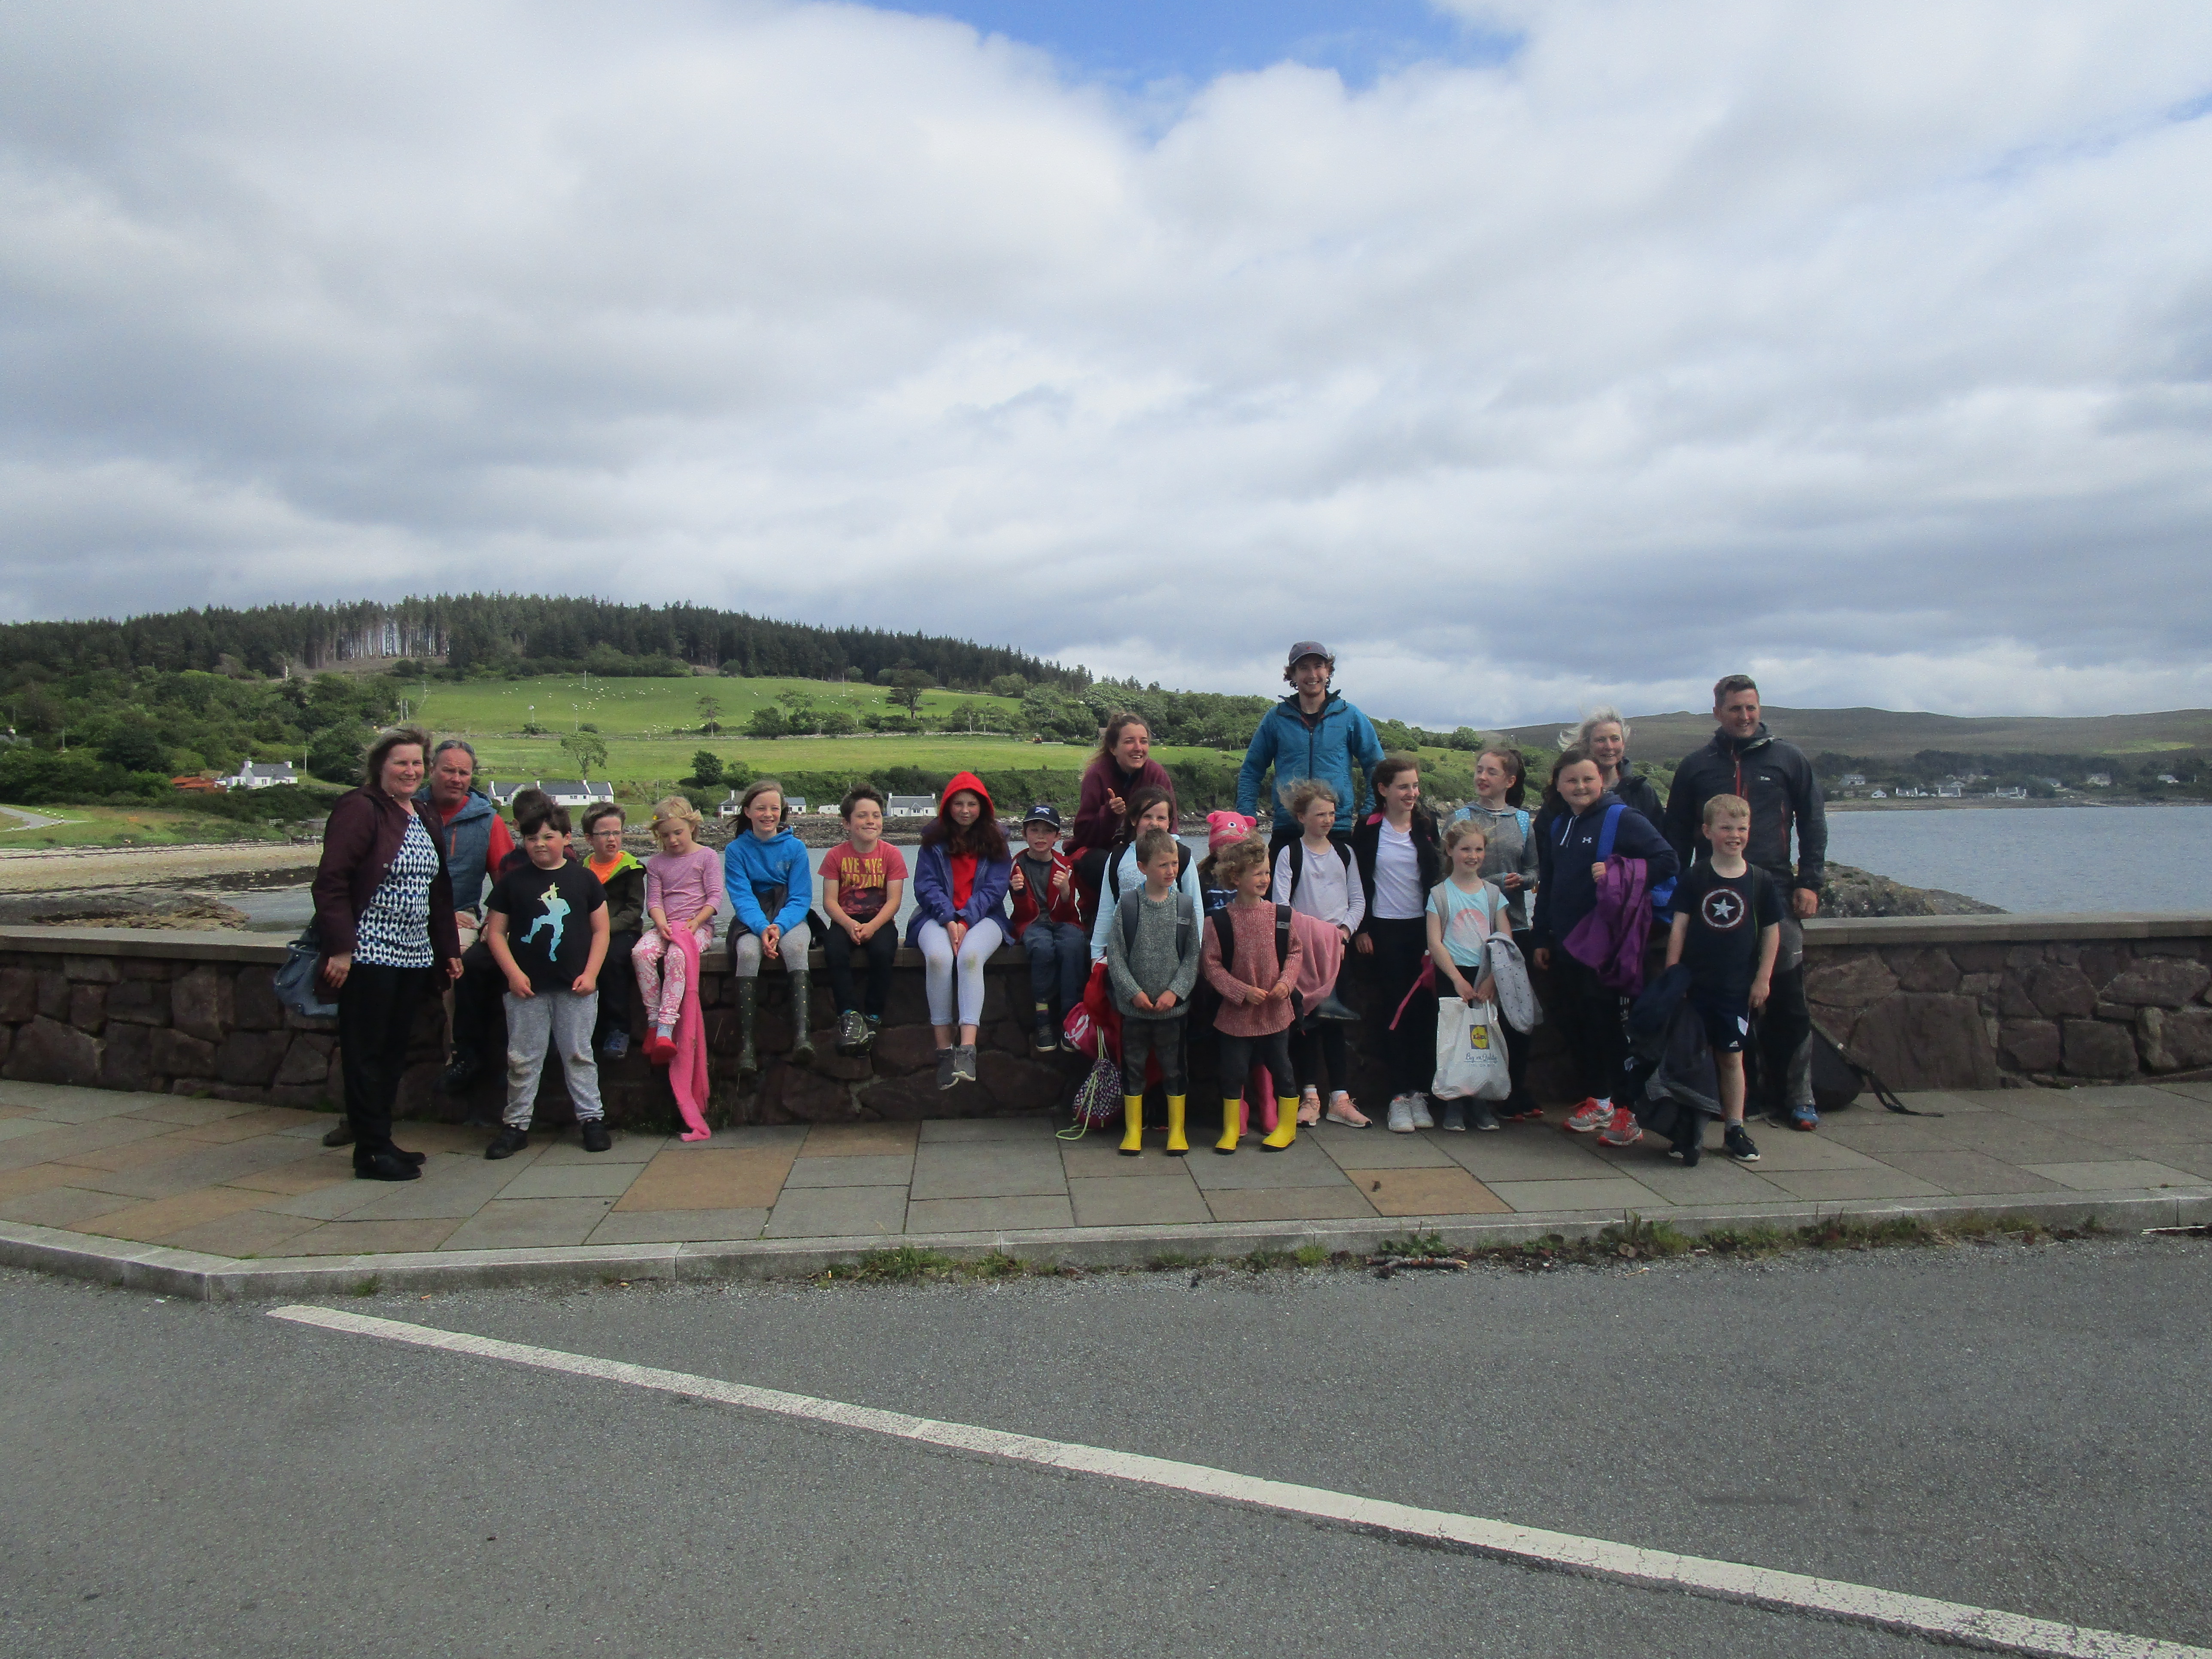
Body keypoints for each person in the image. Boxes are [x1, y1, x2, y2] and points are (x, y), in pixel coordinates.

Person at [1661, 674, 1828, 1130]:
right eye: (1735, 708)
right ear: (1718, 711)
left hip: (1773, 890)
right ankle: (1740, 1099)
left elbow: (1813, 821)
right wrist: (1674, 895)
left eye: (1751, 707)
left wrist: (1810, 882)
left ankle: (1799, 1096)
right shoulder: (1696, 766)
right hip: (1711, 897)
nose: (1745, 716)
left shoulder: (1788, 759)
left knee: (1787, 998)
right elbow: (1675, 836)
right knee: (1720, 999)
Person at [310, 726, 463, 1182]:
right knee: (367, 1053)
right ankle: (371, 1152)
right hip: (368, 954)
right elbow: (331, 882)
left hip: (413, 955)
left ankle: (381, 1138)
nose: (410, 771)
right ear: (380, 766)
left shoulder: (422, 812)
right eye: (401, 762)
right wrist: (341, 949)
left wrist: (447, 949)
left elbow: (437, 890)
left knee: (393, 1052)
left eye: (417, 763)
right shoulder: (360, 808)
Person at [1531, 747, 1681, 1150]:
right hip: (1566, 942)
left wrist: (1618, 870)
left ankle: (1627, 1112)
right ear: (1558, 785)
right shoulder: (1560, 823)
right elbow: (1549, 883)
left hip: (1604, 942)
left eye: (1588, 779)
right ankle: (1600, 1101)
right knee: (1579, 1022)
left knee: (1609, 1027)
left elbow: (1668, 860)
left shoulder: (1623, 818)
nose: (1580, 787)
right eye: (1571, 780)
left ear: (1602, 780)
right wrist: (1542, 935)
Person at [481, 797, 611, 1159]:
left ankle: (592, 1119)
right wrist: (513, 974)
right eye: (531, 838)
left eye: (548, 837)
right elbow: (496, 933)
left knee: (579, 1054)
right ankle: (516, 1124)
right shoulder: (512, 882)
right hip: (527, 990)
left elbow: (601, 931)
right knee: (523, 1057)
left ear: (566, 838)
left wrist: (591, 974)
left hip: (576, 986)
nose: (539, 844)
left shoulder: (584, 879)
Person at [1665, 794, 1776, 1167]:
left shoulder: (1760, 881)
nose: (1735, 835)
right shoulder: (1695, 876)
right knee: (1689, 1058)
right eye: (1726, 827)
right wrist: (1673, 975)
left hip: (1736, 988)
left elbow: (1772, 933)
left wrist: (1763, 979)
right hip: (1695, 986)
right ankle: (1687, 1129)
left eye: (1742, 828)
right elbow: (1679, 927)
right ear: (1708, 831)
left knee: (1732, 1057)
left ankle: (1734, 1128)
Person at [1351, 754, 1443, 1133]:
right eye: (1404, 787)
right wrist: (1362, 929)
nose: (1412, 793)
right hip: (1384, 931)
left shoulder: (1427, 825)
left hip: (1423, 930)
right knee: (1394, 1011)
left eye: (1415, 786)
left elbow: (1438, 878)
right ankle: (1397, 1096)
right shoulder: (1367, 828)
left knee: (1423, 1011)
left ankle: (1420, 1093)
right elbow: (1357, 880)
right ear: (1383, 789)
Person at [1450, 747, 1543, 1120]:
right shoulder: (1461, 817)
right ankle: (1471, 1095)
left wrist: (1525, 880)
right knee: (1473, 1014)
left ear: (1510, 780)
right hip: (1470, 929)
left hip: (1514, 927)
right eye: (1479, 770)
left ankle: (1513, 1091)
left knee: (1515, 1016)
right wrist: (1492, 882)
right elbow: (1448, 874)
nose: (1482, 777)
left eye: (1491, 772)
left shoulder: (1522, 821)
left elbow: (1535, 870)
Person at [905, 772, 1013, 1091]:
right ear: (947, 807)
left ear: (984, 807)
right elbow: (925, 886)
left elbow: (995, 889)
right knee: (939, 958)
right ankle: (944, 1052)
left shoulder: (998, 841)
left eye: (972, 804)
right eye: (958, 804)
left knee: (969, 958)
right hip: (936, 917)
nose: (965, 810)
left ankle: (967, 1049)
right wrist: (949, 918)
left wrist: (965, 919)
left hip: (985, 918)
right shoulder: (932, 841)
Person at [422, 738, 515, 1106]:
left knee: (455, 961)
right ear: (432, 770)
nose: (456, 778)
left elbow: (508, 885)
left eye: (464, 772)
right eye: (448, 770)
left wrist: (492, 922)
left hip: (460, 917)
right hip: (406, 915)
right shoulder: (407, 811)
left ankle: (459, 1054)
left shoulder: (488, 821)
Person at [1200, 835, 1304, 1155]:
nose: (1265, 879)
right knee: (1233, 1073)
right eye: (1257, 872)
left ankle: (1287, 1127)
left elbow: (1295, 952)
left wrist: (1286, 983)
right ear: (1235, 877)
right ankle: (1232, 1128)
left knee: (1283, 1070)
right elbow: (1211, 965)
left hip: (1276, 1011)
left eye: (1267, 872)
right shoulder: (1218, 921)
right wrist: (1241, 991)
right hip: (1236, 1016)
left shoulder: (1281, 916)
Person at [1272, 780, 1367, 1127]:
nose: (1328, 820)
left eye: (1332, 814)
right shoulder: (1290, 854)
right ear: (1301, 817)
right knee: (1307, 1024)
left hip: (1338, 952)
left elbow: (1357, 900)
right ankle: (1309, 1096)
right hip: (1304, 953)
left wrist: (1343, 934)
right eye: (1320, 814)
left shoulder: (1345, 853)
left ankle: (1340, 1098)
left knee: (1336, 1023)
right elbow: (1281, 905)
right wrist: (1310, 939)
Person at [1236, 641, 1386, 860]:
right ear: (1293, 675)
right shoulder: (1276, 719)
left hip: (1336, 828)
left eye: (1318, 666)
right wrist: (1247, 819)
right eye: (1304, 668)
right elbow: (1252, 770)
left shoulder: (1350, 716)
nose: (1313, 674)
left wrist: (1368, 814)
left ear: (1328, 670)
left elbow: (1377, 766)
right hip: (1287, 829)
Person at [1104, 826, 1201, 1157]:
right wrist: (1132, 992)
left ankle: (1177, 1130)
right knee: (1133, 1068)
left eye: (1174, 863)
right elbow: (1115, 954)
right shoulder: (1129, 905)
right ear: (1143, 867)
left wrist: (1176, 992)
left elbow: (1192, 956)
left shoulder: (1185, 907)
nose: (1171, 870)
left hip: (1173, 1011)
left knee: (1175, 1069)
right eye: (1163, 865)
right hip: (1135, 1011)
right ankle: (1133, 1130)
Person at [724, 777, 816, 1073]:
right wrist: (763, 927)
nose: (768, 814)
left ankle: (802, 1038)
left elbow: (801, 897)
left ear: (782, 811)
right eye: (761, 808)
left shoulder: (796, 848)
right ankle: (747, 1047)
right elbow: (742, 898)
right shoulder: (736, 851)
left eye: (774, 808)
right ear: (747, 811)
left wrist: (779, 926)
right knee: (748, 953)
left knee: (797, 948)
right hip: (752, 918)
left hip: (790, 915)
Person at [1426, 819, 1509, 1133]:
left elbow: (1505, 939)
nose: (1472, 856)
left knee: (1482, 1039)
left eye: (1478, 849)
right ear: (1450, 851)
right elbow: (1435, 942)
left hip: (1485, 974)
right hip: (1453, 974)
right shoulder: (1439, 894)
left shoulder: (1493, 894)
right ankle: (1454, 1102)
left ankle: (1481, 1101)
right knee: (1452, 1039)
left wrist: (1492, 980)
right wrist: (1457, 979)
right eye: (1465, 849)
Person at [821, 784, 908, 1056]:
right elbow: (829, 902)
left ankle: (873, 1014)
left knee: (882, 953)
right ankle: (849, 1014)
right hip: (845, 919)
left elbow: (894, 901)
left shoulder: (892, 854)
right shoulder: (835, 855)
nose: (871, 821)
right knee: (834, 951)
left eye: (876, 815)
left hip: (880, 921)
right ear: (847, 823)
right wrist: (849, 925)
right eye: (862, 816)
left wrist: (872, 926)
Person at [634, 796, 722, 1062]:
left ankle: (666, 1027)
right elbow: (654, 901)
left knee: (677, 956)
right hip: (666, 925)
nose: (672, 840)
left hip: (698, 926)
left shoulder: (707, 856)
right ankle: (653, 1022)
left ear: (692, 827)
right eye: (665, 835)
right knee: (641, 953)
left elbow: (715, 897)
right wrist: (661, 923)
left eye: (678, 832)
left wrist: (696, 921)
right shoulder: (656, 863)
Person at [1071, 714, 1173, 916]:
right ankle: (1103, 919)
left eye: (1144, 741)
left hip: (1146, 849)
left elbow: (1171, 822)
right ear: (1113, 748)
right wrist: (1109, 814)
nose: (1138, 748)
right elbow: (1083, 835)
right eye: (1129, 741)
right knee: (1100, 863)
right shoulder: (1097, 775)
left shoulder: (1156, 774)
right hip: (1104, 851)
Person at [1087, 786, 1202, 962]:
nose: (1154, 823)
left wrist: (1195, 953)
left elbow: (1196, 908)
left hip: (1170, 950)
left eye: (1161, 818)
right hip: (1126, 948)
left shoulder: (1183, 857)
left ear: (1170, 822)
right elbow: (1107, 908)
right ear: (1134, 820)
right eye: (1147, 816)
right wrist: (1096, 953)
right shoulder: (1118, 857)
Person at [1007, 802, 1085, 1055]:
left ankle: (1069, 1017)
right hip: (1032, 922)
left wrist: (1065, 892)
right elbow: (1023, 913)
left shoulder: (1065, 865)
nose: (1040, 837)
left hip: (1063, 921)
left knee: (1073, 946)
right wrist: (1019, 892)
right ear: (1024, 834)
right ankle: (1043, 1017)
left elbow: (1067, 912)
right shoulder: (1017, 865)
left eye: (1047, 831)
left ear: (1057, 837)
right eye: (1034, 830)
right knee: (1042, 948)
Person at [580, 802, 644, 1060]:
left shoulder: (631, 868)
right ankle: (586, 1030)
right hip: (588, 932)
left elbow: (634, 909)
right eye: (605, 834)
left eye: (617, 833)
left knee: (611, 960)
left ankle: (618, 1028)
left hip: (623, 932)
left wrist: (605, 929)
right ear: (589, 838)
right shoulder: (581, 870)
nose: (612, 839)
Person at [1563, 709, 1665, 829]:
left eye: (1615, 739)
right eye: (1601, 740)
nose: (1609, 746)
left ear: (1623, 744)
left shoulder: (1640, 791)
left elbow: (1660, 836)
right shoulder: (1570, 791)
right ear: (1586, 745)